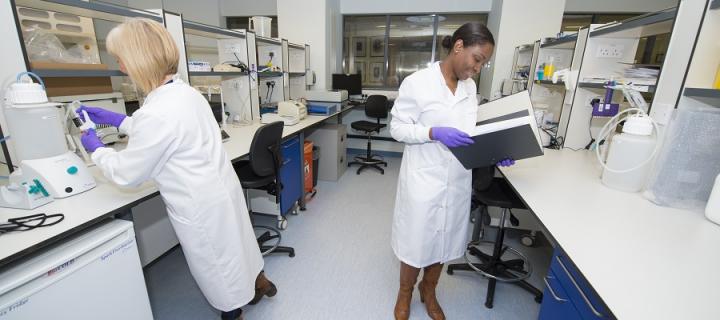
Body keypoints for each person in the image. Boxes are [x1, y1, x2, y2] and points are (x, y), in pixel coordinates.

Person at [78, 18, 275, 320]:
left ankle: (232, 312)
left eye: (120, 59)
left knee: (216, 263)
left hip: (199, 204)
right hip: (221, 188)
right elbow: (168, 134)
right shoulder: (186, 93)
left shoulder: (156, 112)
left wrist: (97, 149)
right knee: (239, 244)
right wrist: (121, 120)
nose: (120, 67)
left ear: (138, 60)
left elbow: (128, 173)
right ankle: (259, 282)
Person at [389, 23, 513, 320]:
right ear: (459, 47)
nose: (478, 68)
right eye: (477, 58)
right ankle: (405, 292)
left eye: (483, 62)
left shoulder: (470, 90)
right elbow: (397, 128)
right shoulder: (417, 83)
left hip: (457, 177)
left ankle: (429, 290)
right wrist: (432, 132)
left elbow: (473, 133)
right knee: (417, 239)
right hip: (424, 176)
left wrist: (497, 152)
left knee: (443, 239)